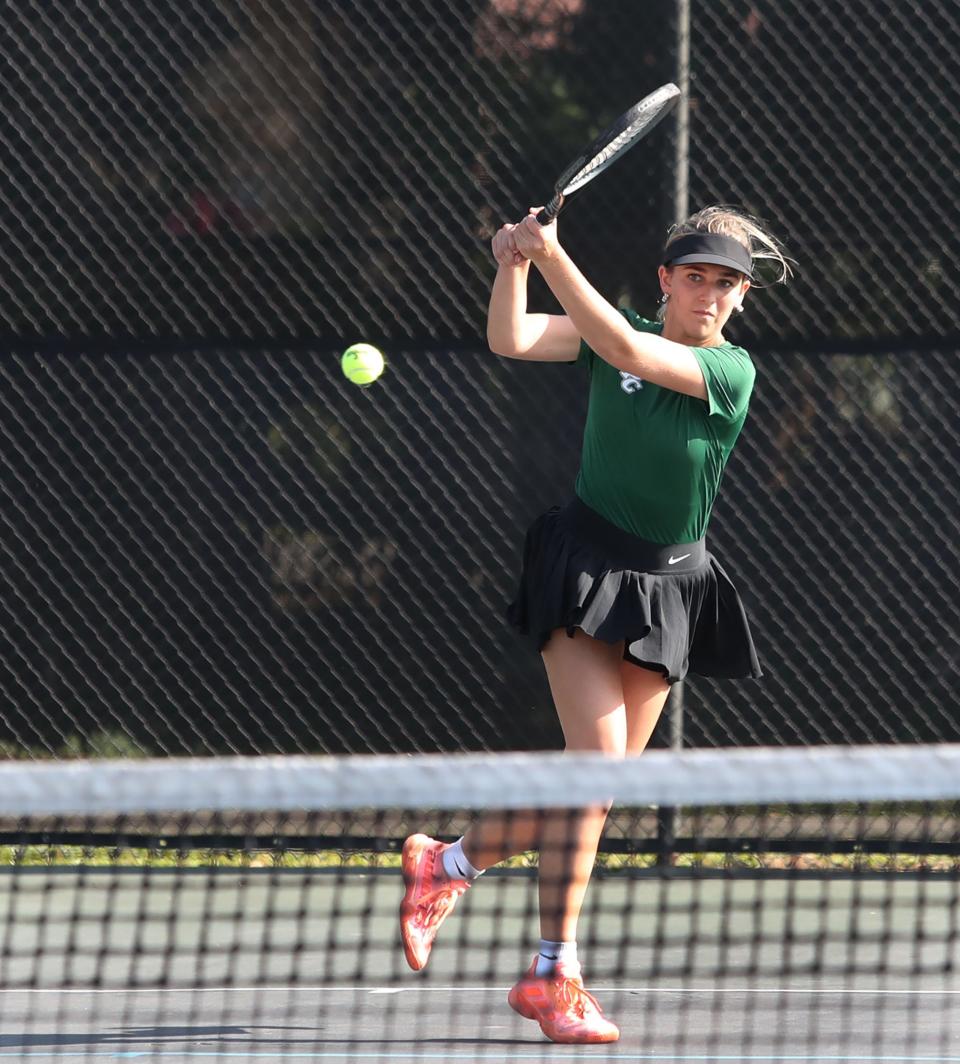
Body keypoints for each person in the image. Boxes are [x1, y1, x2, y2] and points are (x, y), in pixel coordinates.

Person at [399, 204, 792, 1044]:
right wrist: (513, 264)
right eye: (696, 278)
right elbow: (512, 339)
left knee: (597, 788)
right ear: (666, 279)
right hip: (583, 567)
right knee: (593, 771)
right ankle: (554, 974)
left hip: (671, 587)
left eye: (726, 284)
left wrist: (551, 253)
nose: (710, 296)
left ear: (742, 297)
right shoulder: (610, 328)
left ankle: (446, 863)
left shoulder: (731, 373)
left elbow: (620, 346)